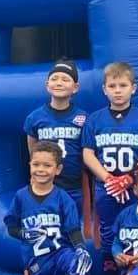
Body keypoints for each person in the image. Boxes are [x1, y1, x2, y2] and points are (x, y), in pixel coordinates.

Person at [1, 141, 94, 275]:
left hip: (60, 252)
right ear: (29, 165)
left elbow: (74, 229)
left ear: (58, 169)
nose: (41, 170)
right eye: (36, 164)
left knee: (80, 262)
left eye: (47, 165)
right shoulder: (21, 197)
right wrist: (23, 234)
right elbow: (11, 226)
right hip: (36, 261)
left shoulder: (62, 197)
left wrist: (81, 249)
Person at [81, 61, 138, 275]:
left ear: (133, 88)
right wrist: (109, 179)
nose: (118, 90)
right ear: (104, 89)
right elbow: (88, 154)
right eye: (112, 86)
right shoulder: (95, 119)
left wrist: (131, 177)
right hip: (105, 185)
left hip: (135, 185)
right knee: (107, 232)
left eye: (122, 85)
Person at [24, 60, 88, 215]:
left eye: (65, 79)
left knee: (73, 228)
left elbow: (88, 152)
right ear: (47, 85)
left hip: (74, 186)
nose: (59, 83)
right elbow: (32, 150)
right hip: (45, 184)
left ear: (75, 88)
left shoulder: (84, 118)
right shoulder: (35, 118)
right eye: (54, 79)